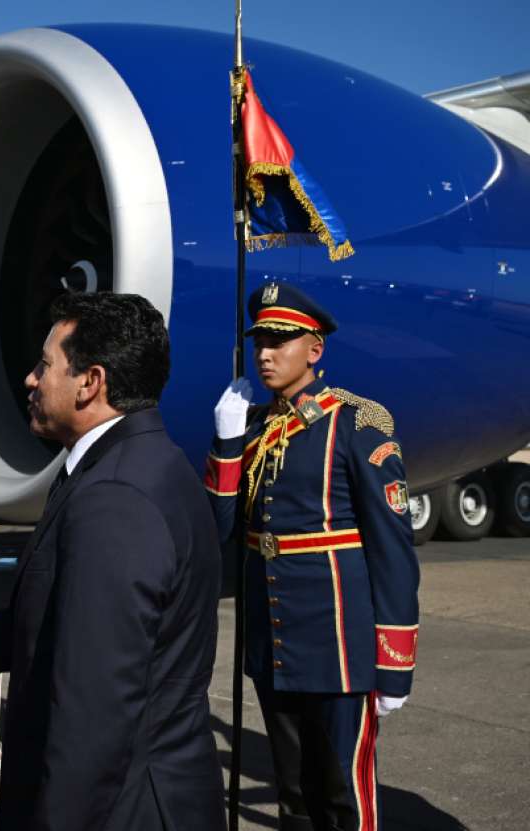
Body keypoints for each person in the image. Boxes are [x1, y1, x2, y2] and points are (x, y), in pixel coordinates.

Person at [0, 292, 227, 830]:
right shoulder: (143, 464)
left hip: (117, 811)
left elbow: (95, 706)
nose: (31, 379)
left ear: (90, 382)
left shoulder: (115, 496)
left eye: (45, 365)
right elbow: (52, 620)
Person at [204, 281, 420, 831]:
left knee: (342, 794)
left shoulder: (356, 424)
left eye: (280, 341)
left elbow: (392, 550)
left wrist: (394, 662)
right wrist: (226, 443)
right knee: (294, 798)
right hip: (273, 645)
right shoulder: (254, 429)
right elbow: (219, 530)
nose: (265, 354)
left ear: (314, 350)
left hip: (337, 649)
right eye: (260, 342)